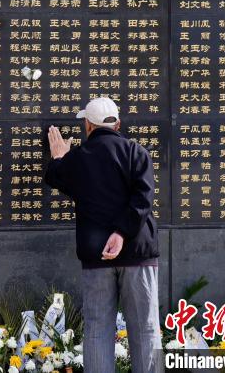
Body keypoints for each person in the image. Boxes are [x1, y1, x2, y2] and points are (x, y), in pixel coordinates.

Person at [44, 97, 163, 373]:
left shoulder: (78, 159)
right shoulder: (136, 152)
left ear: (88, 125)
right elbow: (143, 199)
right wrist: (122, 233)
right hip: (138, 256)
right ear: (117, 124)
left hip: (96, 257)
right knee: (145, 329)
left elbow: (56, 175)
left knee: (97, 330)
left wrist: (60, 157)